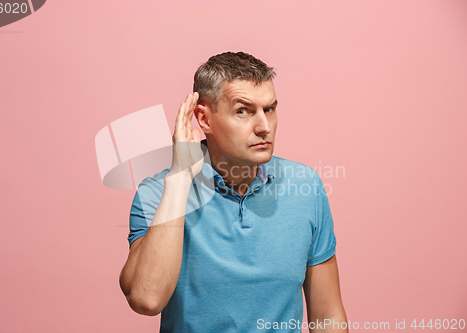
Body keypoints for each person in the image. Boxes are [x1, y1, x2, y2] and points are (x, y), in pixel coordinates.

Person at [119, 52, 348, 332]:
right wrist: (180, 179)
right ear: (203, 119)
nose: (264, 127)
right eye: (244, 111)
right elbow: (146, 299)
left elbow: (328, 316)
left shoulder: (306, 186)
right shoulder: (157, 193)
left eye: (270, 109)